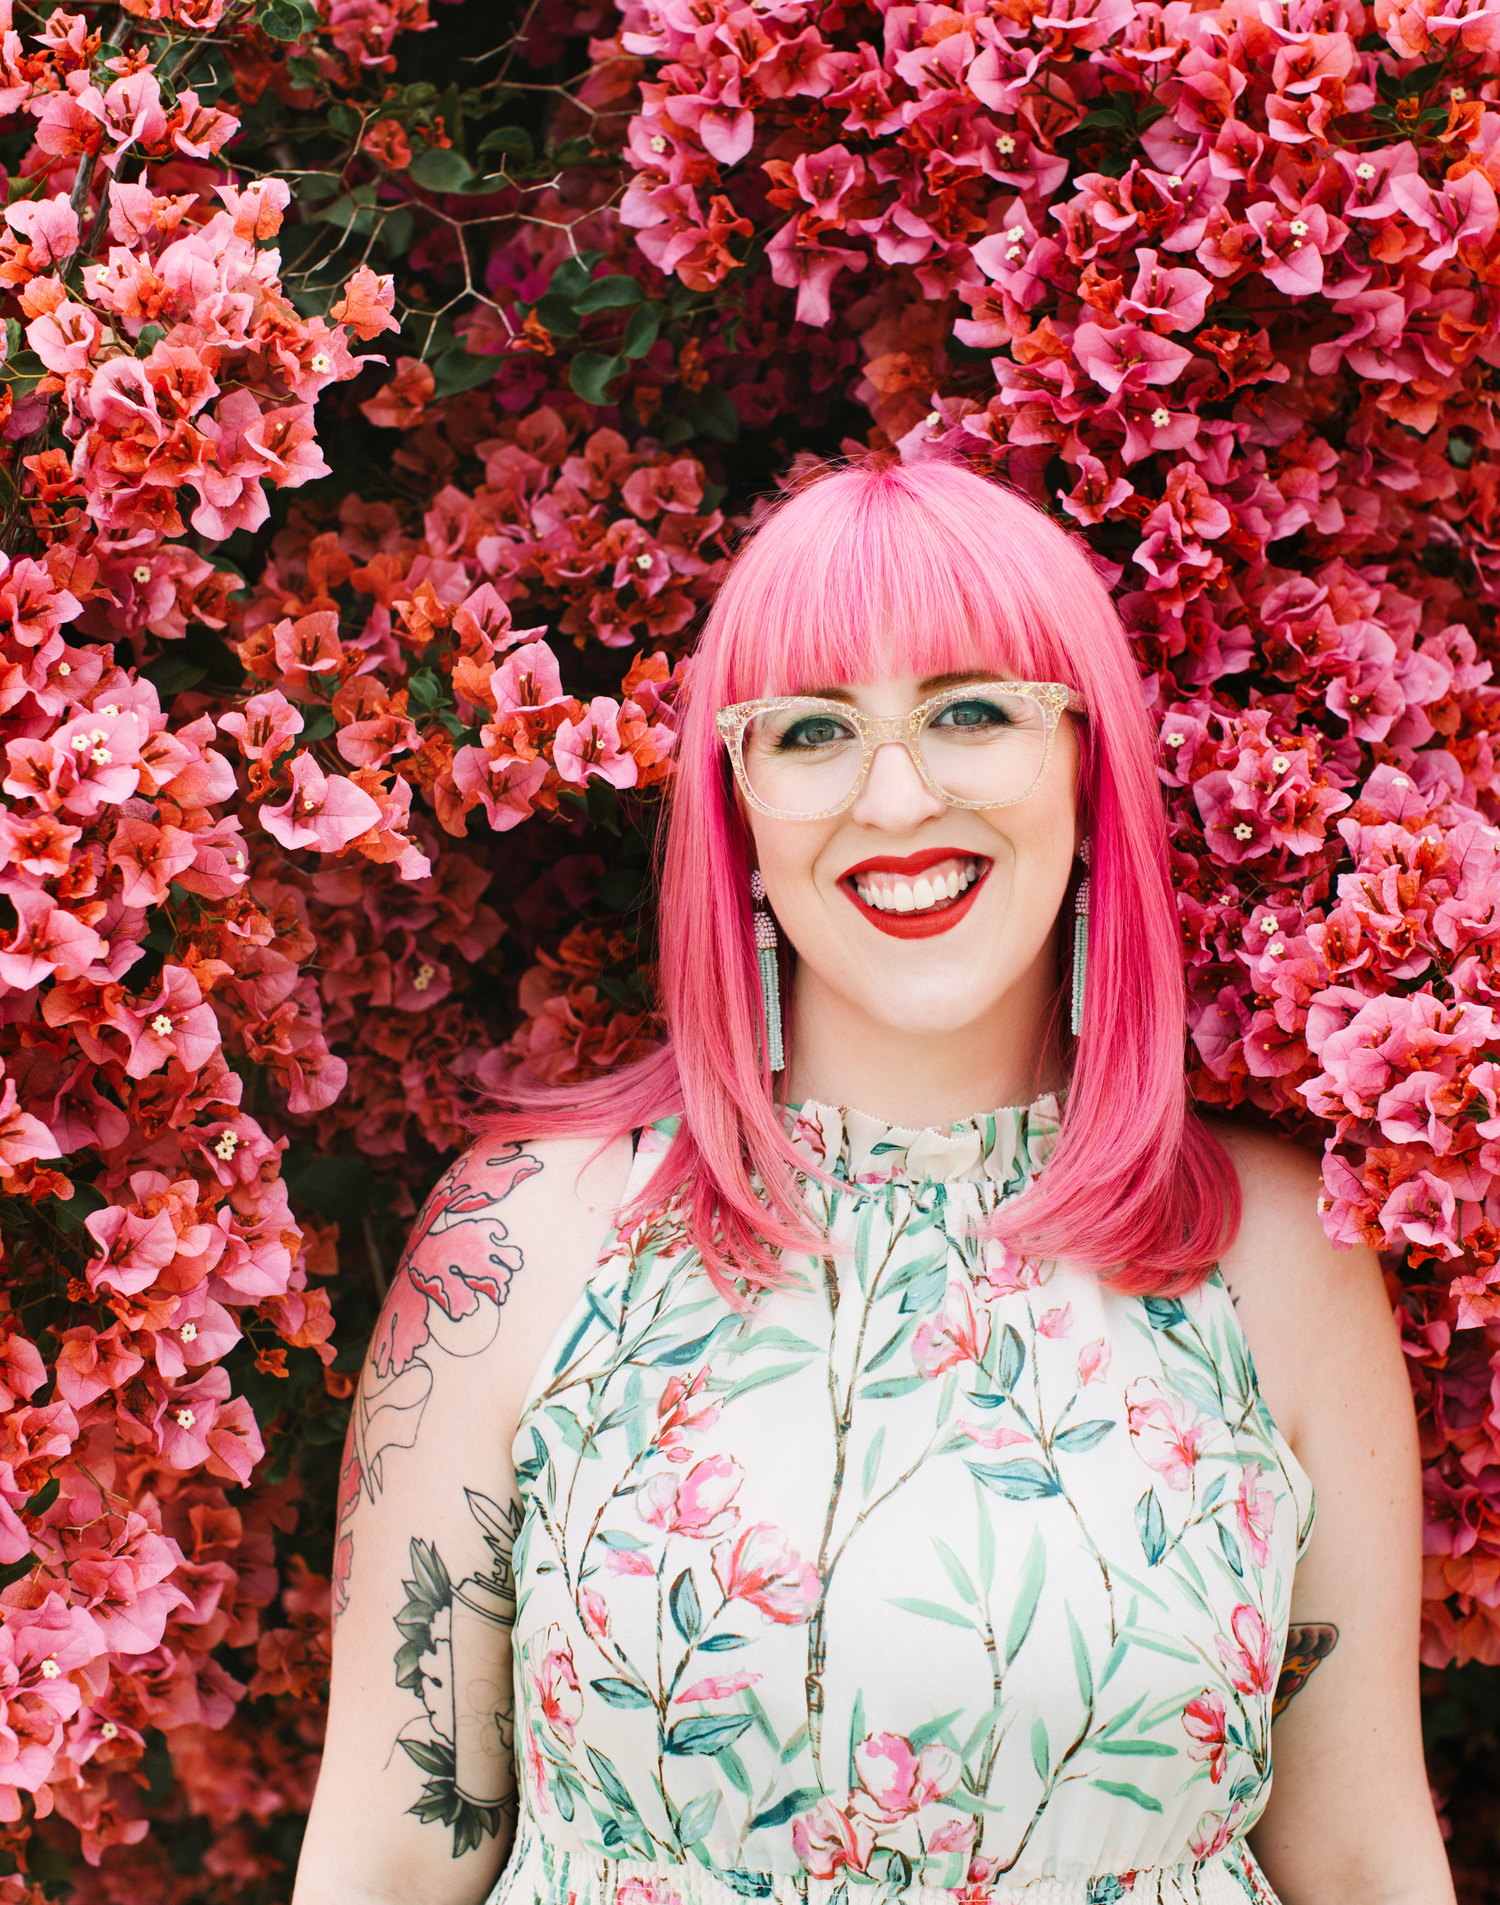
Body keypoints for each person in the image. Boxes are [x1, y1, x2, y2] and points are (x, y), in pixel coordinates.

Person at [294, 459, 1453, 1905]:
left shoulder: (1274, 1257)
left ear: (1092, 774)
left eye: (973, 712)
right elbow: (390, 1862)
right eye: (814, 730)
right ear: (742, 808)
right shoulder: (520, 1239)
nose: (895, 795)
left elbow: (1358, 1858)